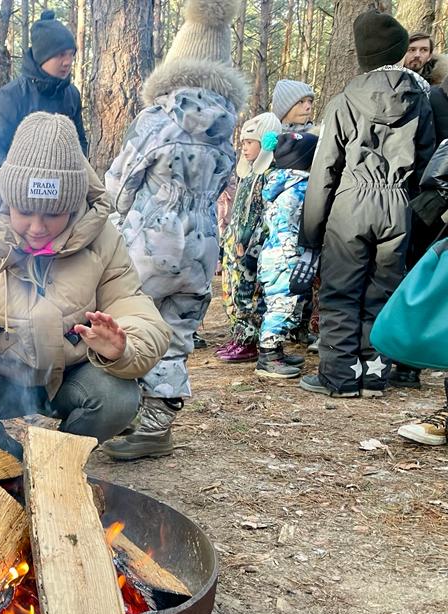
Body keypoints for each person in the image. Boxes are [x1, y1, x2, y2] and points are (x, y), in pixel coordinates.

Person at [0, 112, 171, 460]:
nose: (37, 228)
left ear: (73, 208)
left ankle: (57, 462)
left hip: (71, 376)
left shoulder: (103, 242)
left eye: (53, 214)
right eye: (24, 211)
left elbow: (134, 306)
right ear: (8, 201)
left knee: (119, 399)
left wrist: (121, 347)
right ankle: (9, 462)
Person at [101, 0, 246, 460]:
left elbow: (121, 183)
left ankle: (117, 410)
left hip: (149, 239)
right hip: (202, 241)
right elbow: (226, 181)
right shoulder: (226, 127)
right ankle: (157, 421)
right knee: (178, 329)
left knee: (128, 318)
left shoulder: (159, 118)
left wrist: (109, 226)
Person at [298, 9, 435, 398]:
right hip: (398, 204)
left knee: (341, 291)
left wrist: (311, 231)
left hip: (351, 204)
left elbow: (325, 168)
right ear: (398, 51)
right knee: (383, 290)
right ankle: (374, 375)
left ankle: (339, 378)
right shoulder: (418, 99)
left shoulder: (344, 101)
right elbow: (425, 162)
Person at [0, 10, 87, 190]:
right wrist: (23, 182)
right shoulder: (10, 97)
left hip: (63, 197)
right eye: (60, 55)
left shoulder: (71, 95)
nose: (67, 61)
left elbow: (79, 144)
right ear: (42, 56)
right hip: (14, 199)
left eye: (71, 54)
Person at [216, 111, 283, 363]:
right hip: (236, 242)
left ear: (267, 142)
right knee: (232, 293)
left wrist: (252, 242)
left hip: (253, 247)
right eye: (242, 143)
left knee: (250, 294)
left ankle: (250, 340)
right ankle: (238, 336)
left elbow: (262, 215)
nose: (244, 148)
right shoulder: (247, 173)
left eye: (250, 143)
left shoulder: (269, 175)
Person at [255, 131, 318, 379]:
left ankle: (276, 350)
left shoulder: (278, 182)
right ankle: (267, 356)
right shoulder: (301, 187)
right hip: (287, 256)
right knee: (282, 305)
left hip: (273, 253)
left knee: (281, 303)